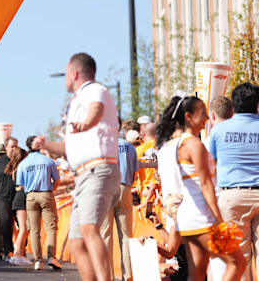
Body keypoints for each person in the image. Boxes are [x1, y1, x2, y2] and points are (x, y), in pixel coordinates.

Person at [32, 53, 120, 281]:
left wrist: (87, 123)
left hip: (97, 170)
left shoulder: (94, 90)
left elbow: (96, 109)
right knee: (76, 241)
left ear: (74, 73)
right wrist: (45, 145)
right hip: (84, 174)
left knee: (89, 230)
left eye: (66, 73)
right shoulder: (76, 102)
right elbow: (68, 149)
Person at [157, 94, 246, 280]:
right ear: (188, 116)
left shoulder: (180, 144)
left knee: (197, 272)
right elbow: (205, 184)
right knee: (237, 262)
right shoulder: (193, 144)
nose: (207, 117)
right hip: (201, 217)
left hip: (188, 216)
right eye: (202, 113)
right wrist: (219, 219)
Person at [208, 83, 259, 281]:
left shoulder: (219, 131)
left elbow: (210, 166)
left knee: (239, 259)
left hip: (232, 197)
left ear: (234, 105)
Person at [15, 135, 61, 270]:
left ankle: (38, 261)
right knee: (51, 227)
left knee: (34, 230)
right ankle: (52, 257)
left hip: (30, 196)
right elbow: (57, 180)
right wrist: (51, 190)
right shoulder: (48, 161)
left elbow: (20, 185)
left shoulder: (23, 163)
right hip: (46, 193)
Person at [100, 128, 138, 280]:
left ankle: (107, 276)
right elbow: (135, 173)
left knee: (105, 235)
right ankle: (128, 276)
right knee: (127, 235)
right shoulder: (130, 147)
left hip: (107, 188)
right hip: (125, 188)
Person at [4, 137, 31, 266]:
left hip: (18, 198)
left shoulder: (15, 168)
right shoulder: (21, 168)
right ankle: (17, 254)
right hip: (22, 198)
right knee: (23, 229)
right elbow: (22, 185)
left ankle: (20, 253)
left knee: (23, 228)